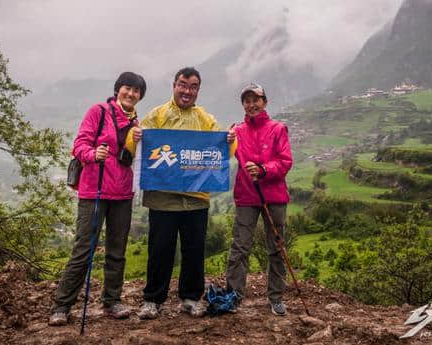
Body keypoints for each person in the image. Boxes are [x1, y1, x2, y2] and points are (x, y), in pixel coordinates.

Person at [127, 67, 227, 319]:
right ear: (174, 85)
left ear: (198, 91)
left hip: (196, 199)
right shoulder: (157, 115)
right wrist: (134, 136)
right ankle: (153, 299)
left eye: (193, 86)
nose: (187, 91)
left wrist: (230, 140)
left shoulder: (206, 119)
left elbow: (222, 149)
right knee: (160, 249)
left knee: (194, 250)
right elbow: (134, 145)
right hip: (162, 199)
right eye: (183, 84)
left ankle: (191, 298)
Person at [48, 72, 147, 326]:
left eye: (137, 91)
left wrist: (136, 142)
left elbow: (131, 157)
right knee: (84, 249)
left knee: (117, 251)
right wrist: (94, 153)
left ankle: (112, 301)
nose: (132, 94)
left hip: (123, 193)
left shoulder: (136, 124)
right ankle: (62, 305)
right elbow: (79, 145)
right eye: (128, 88)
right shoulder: (99, 112)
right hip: (95, 191)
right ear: (118, 89)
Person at [225, 83, 293, 316]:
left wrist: (264, 170)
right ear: (243, 103)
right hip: (246, 195)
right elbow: (224, 153)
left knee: (276, 248)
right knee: (240, 246)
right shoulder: (237, 130)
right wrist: (225, 140)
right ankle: (234, 294)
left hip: (274, 196)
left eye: (256, 99)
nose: (251, 104)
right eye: (247, 100)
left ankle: (276, 297)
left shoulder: (277, 129)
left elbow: (285, 162)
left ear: (265, 102)